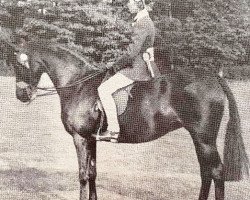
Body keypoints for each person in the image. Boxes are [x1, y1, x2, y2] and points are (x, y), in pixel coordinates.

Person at [97, 0, 159, 142]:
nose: (127, 5)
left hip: (136, 69)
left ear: (137, 4)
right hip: (138, 65)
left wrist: (115, 65)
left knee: (103, 90)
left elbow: (131, 53)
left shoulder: (143, 23)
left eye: (129, 2)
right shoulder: (144, 20)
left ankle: (113, 130)